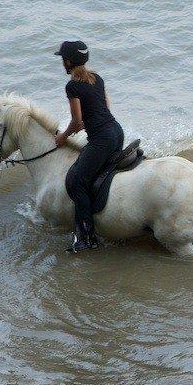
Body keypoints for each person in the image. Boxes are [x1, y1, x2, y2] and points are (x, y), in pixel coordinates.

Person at [53, 41, 124, 252]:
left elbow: (77, 121)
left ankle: (86, 238)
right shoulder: (98, 79)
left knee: (76, 181)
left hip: (102, 139)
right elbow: (102, 110)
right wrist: (82, 126)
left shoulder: (72, 86)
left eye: (62, 59)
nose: (62, 63)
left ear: (68, 61)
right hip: (117, 132)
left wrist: (63, 137)